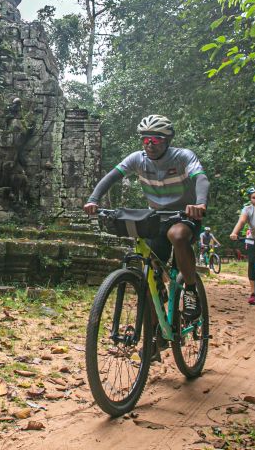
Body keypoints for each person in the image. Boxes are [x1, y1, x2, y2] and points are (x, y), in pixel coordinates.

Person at [83, 115, 209, 319]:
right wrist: (93, 199)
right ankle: (155, 339)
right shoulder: (137, 159)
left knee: (177, 236)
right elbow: (112, 177)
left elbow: (201, 179)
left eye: (156, 139)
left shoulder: (183, 157)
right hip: (156, 217)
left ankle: (191, 290)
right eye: (146, 139)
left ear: (167, 141)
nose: (150, 144)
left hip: (184, 214)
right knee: (149, 275)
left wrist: (200, 203)